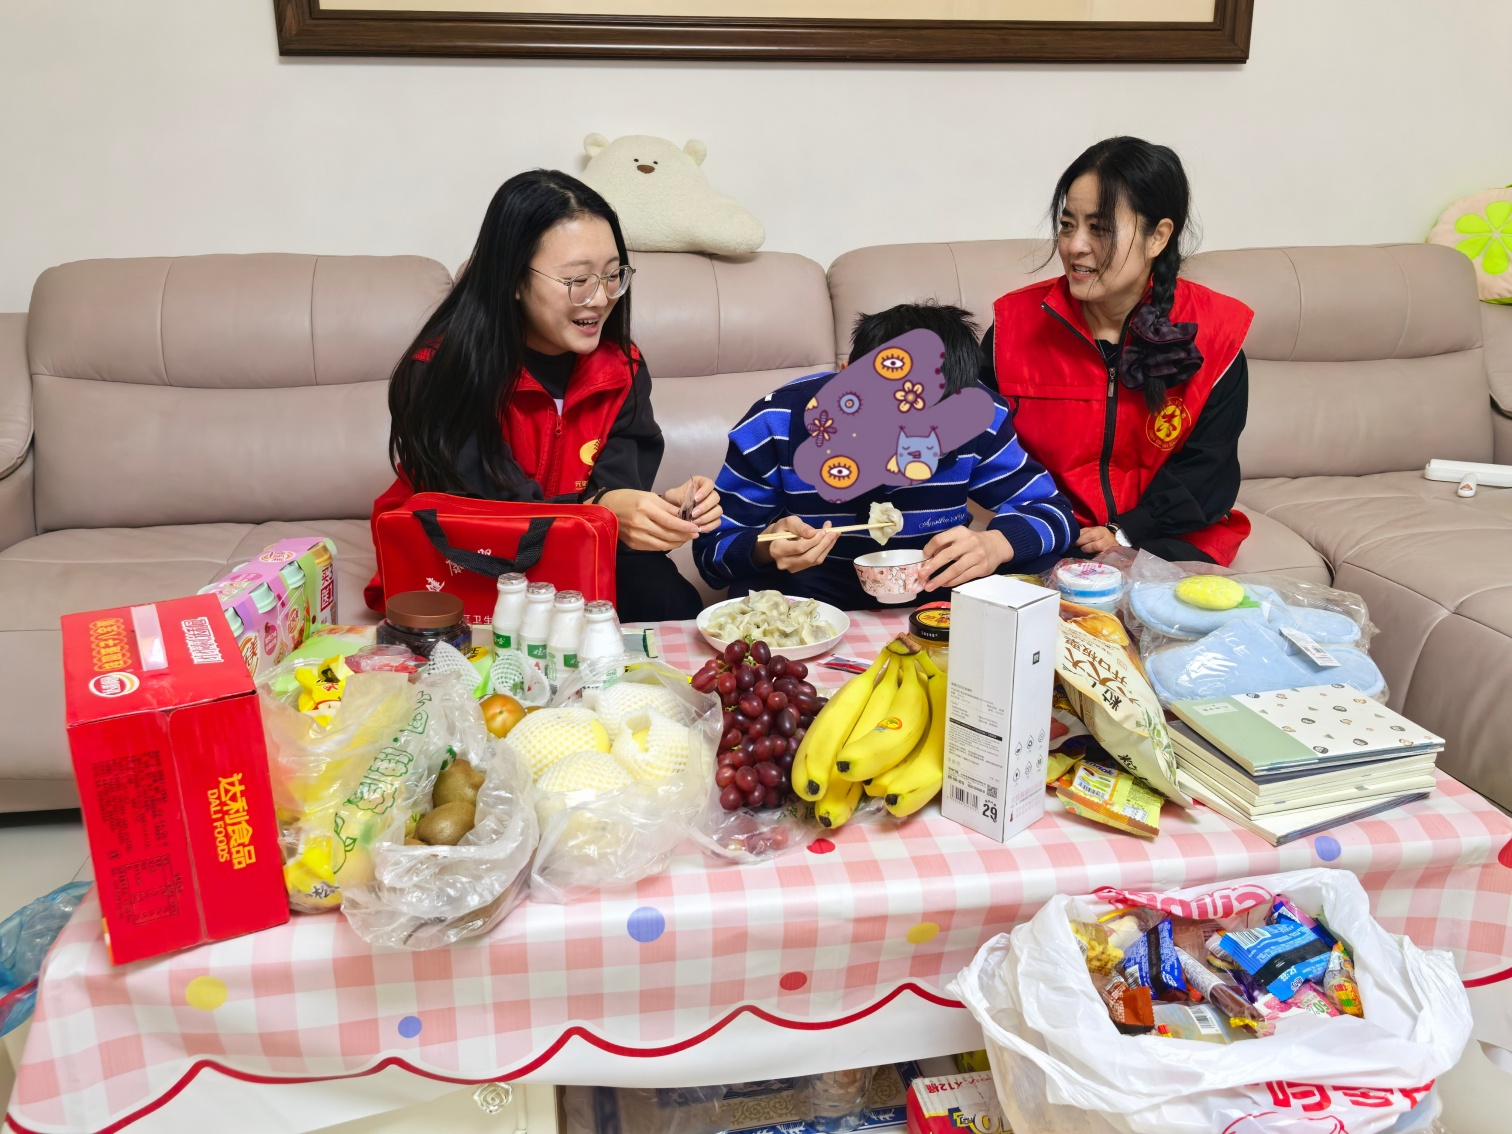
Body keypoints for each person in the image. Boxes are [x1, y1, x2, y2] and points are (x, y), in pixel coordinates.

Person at [368, 169, 720, 622]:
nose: (600, 298)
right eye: (578, 280)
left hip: (576, 543)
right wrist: (600, 509)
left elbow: (618, 486)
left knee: (670, 601)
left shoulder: (622, 369)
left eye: (613, 275)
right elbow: (481, 511)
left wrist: (660, 514)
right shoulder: (441, 371)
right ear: (513, 279)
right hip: (467, 552)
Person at [693, 302, 1076, 609]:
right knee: (750, 586)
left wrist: (995, 544)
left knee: (1036, 568)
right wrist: (765, 546)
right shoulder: (775, 423)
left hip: (939, 585)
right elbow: (711, 550)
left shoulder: (981, 418)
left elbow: (1055, 513)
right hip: (813, 590)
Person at [981, 137, 1254, 565]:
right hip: (1048, 534)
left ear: (1157, 237)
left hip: (1165, 537)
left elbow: (1209, 471)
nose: (1074, 246)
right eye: (1068, 224)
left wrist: (1125, 532)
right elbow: (978, 445)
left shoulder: (1216, 335)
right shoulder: (1012, 328)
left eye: (1100, 228)